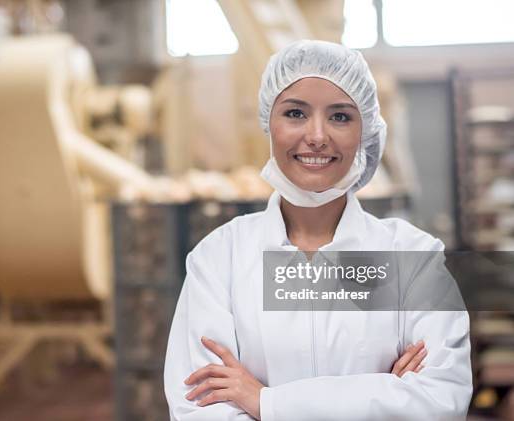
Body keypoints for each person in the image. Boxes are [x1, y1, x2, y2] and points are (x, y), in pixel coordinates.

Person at [163, 40, 472, 420]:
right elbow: (198, 408)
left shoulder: (414, 258)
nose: (317, 136)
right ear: (268, 124)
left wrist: (264, 402)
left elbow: (439, 401)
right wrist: (385, 393)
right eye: (295, 113)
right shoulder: (218, 260)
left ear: (366, 131)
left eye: (340, 117)